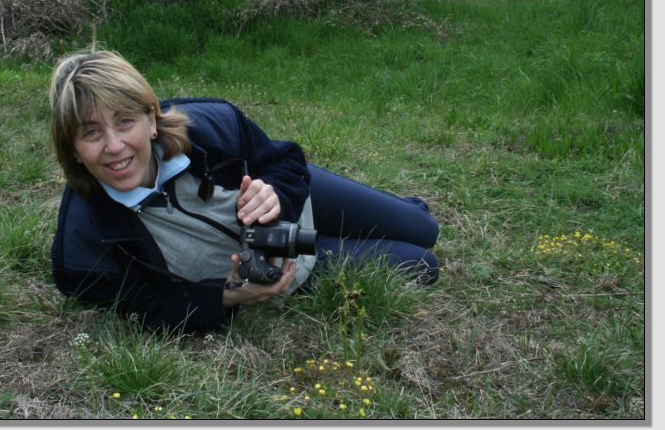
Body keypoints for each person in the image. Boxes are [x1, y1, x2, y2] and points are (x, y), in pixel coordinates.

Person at [49, 50, 439, 333]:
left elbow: (283, 158)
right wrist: (228, 297)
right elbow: (148, 308)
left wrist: (275, 195)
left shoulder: (212, 125)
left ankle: (391, 213)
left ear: (152, 118)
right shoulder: (82, 248)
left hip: (301, 202)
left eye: (125, 121)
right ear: (73, 150)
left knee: (424, 228)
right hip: (279, 267)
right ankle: (329, 243)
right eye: (91, 132)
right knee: (423, 264)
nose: (115, 146)